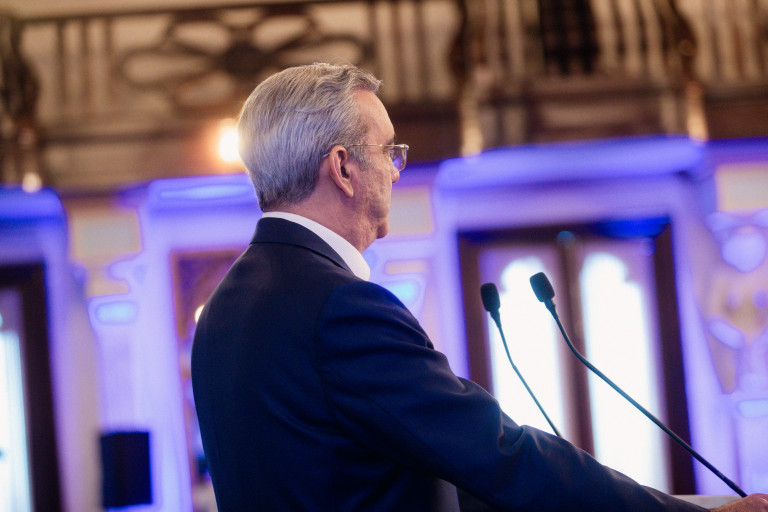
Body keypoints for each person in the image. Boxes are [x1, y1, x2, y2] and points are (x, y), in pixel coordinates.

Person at [191, 63, 768, 511]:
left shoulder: (223, 307)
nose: (395, 170)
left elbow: (365, 470)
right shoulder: (340, 306)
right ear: (343, 168)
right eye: (387, 151)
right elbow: (497, 452)